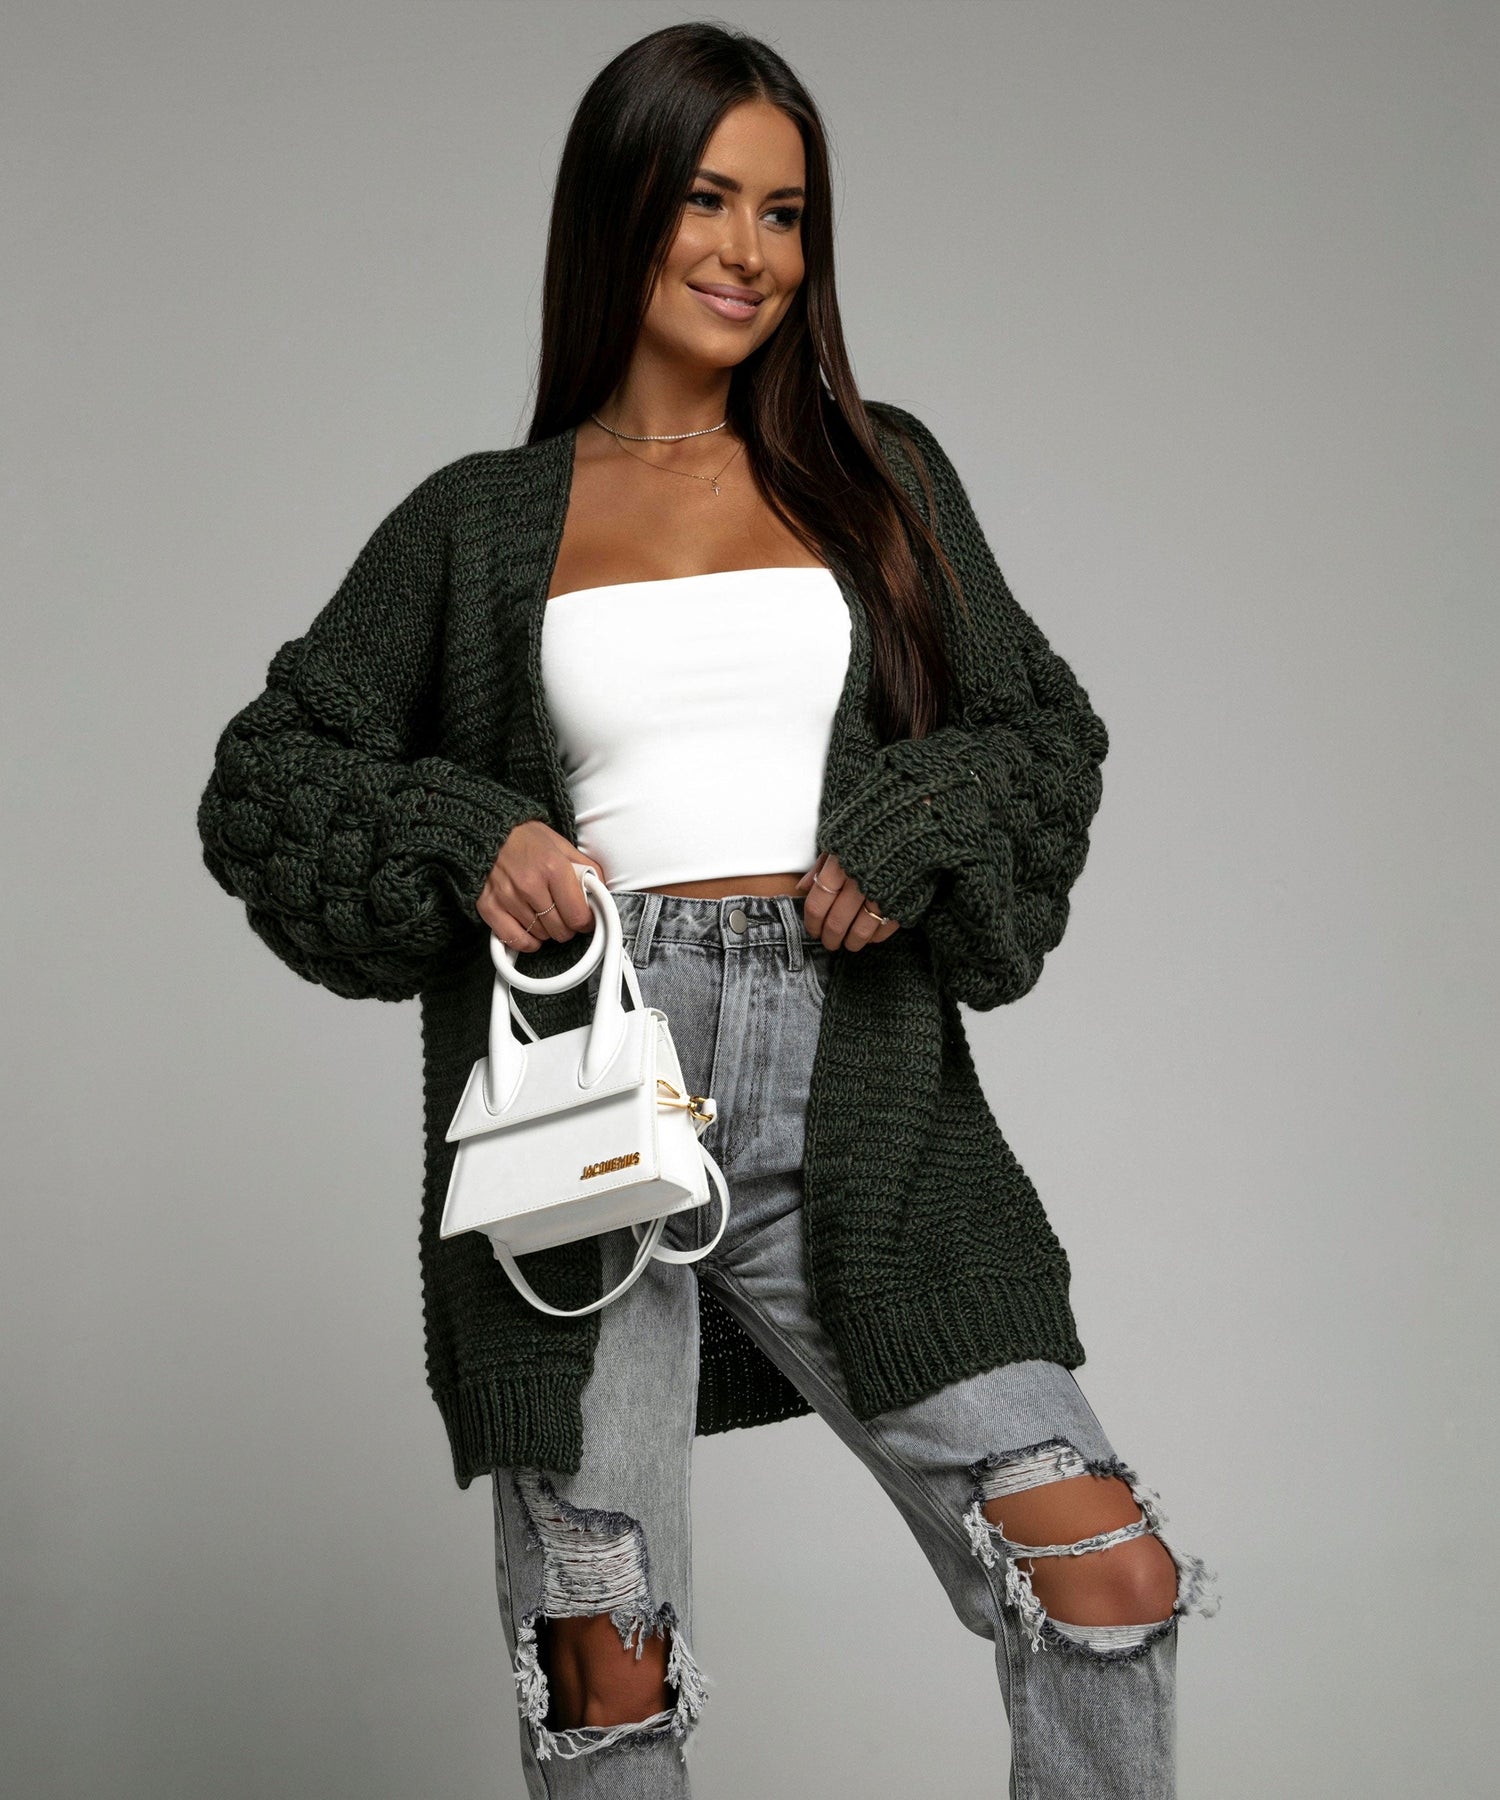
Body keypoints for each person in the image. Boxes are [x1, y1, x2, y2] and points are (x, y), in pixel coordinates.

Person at [197, 21, 1218, 1799]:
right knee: (608, 1664)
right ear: (621, 213)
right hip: (588, 1101)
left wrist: (915, 817)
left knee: (1102, 1571)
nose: (751, 251)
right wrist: (467, 829)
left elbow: (1040, 732)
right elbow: (268, 777)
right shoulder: (478, 521)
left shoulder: (882, 476)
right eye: (707, 200)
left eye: (786, 212)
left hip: (861, 1097)